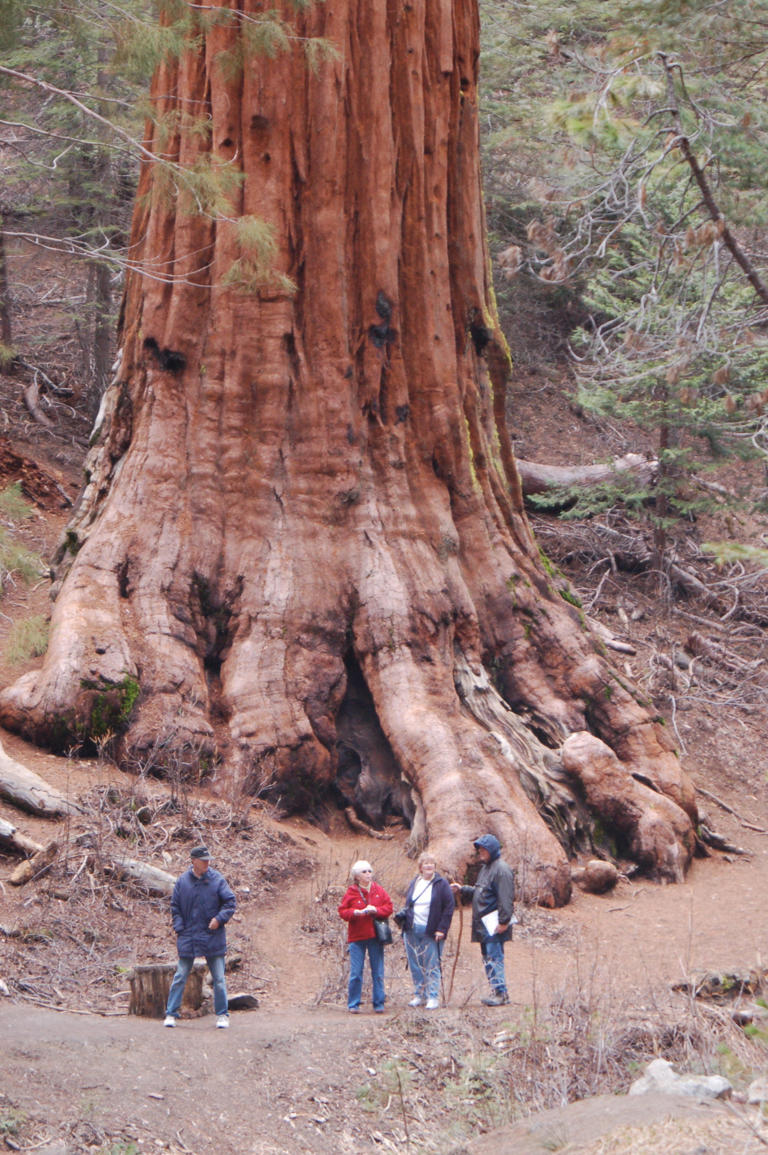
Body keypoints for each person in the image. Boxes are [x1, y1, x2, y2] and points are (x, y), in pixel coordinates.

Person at [163, 845, 237, 1028]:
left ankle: (222, 1015)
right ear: (193, 861)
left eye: (208, 860)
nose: (207, 863)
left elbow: (230, 902)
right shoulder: (182, 882)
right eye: (204, 860)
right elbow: (175, 907)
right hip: (188, 936)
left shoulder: (217, 880)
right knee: (180, 975)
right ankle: (171, 1013)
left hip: (213, 936)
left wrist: (219, 920)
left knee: (219, 978)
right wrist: (180, 928)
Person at [452, 834, 515, 1006]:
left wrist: (503, 922)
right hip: (483, 925)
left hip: (494, 924)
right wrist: (463, 889)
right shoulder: (486, 868)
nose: (480, 852)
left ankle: (501, 993)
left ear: (492, 849)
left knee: (494, 957)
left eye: (483, 849)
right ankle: (496, 991)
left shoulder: (501, 870)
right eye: (479, 849)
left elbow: (506, 898)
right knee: (488, 958)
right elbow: (482, 892)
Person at [338, 859, 394, 1014]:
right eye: (364, 872)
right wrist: (354, 913)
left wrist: (375, 910)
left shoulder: (378, 890)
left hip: (376, 936)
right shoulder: (351, 892)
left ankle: (378, 1003)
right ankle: (353, 1003)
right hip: (357, 937)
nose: (368, 874)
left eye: (369, 871)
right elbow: (343, 911)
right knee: (356, 972)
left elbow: (389, 907)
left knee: (378, 971)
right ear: (356, 876)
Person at [401, 852, 455, 1009]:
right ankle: (419, 994)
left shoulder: (441, 884)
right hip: (411, 929)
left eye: (431, 863)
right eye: (426, 863)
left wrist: (442, 929)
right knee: (415, 963)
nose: (429, 866)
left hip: (431, 930)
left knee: (432, 964)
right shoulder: (415, 882)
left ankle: (433, 996)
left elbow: (448, 907)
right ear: (420, 867)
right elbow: (409, 904)